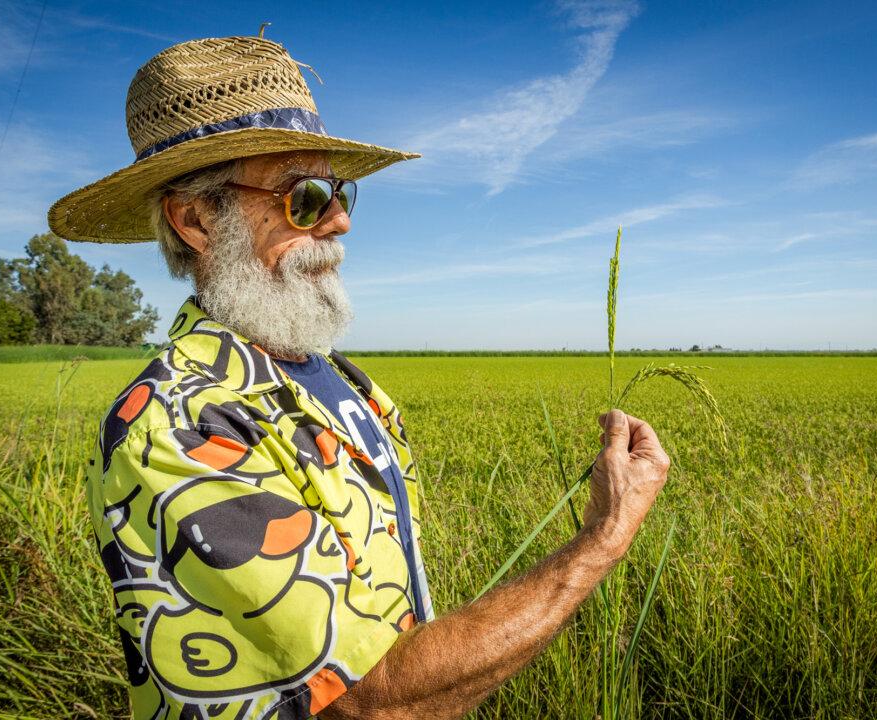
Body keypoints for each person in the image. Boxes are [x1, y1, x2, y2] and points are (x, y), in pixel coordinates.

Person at [48, 34, 671, 720]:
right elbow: (367, 698)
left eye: (337, 193)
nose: (340, 219)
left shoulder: (345, 382)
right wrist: (601, 542)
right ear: (196, 218)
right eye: (302, 197)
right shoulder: (179, 420)